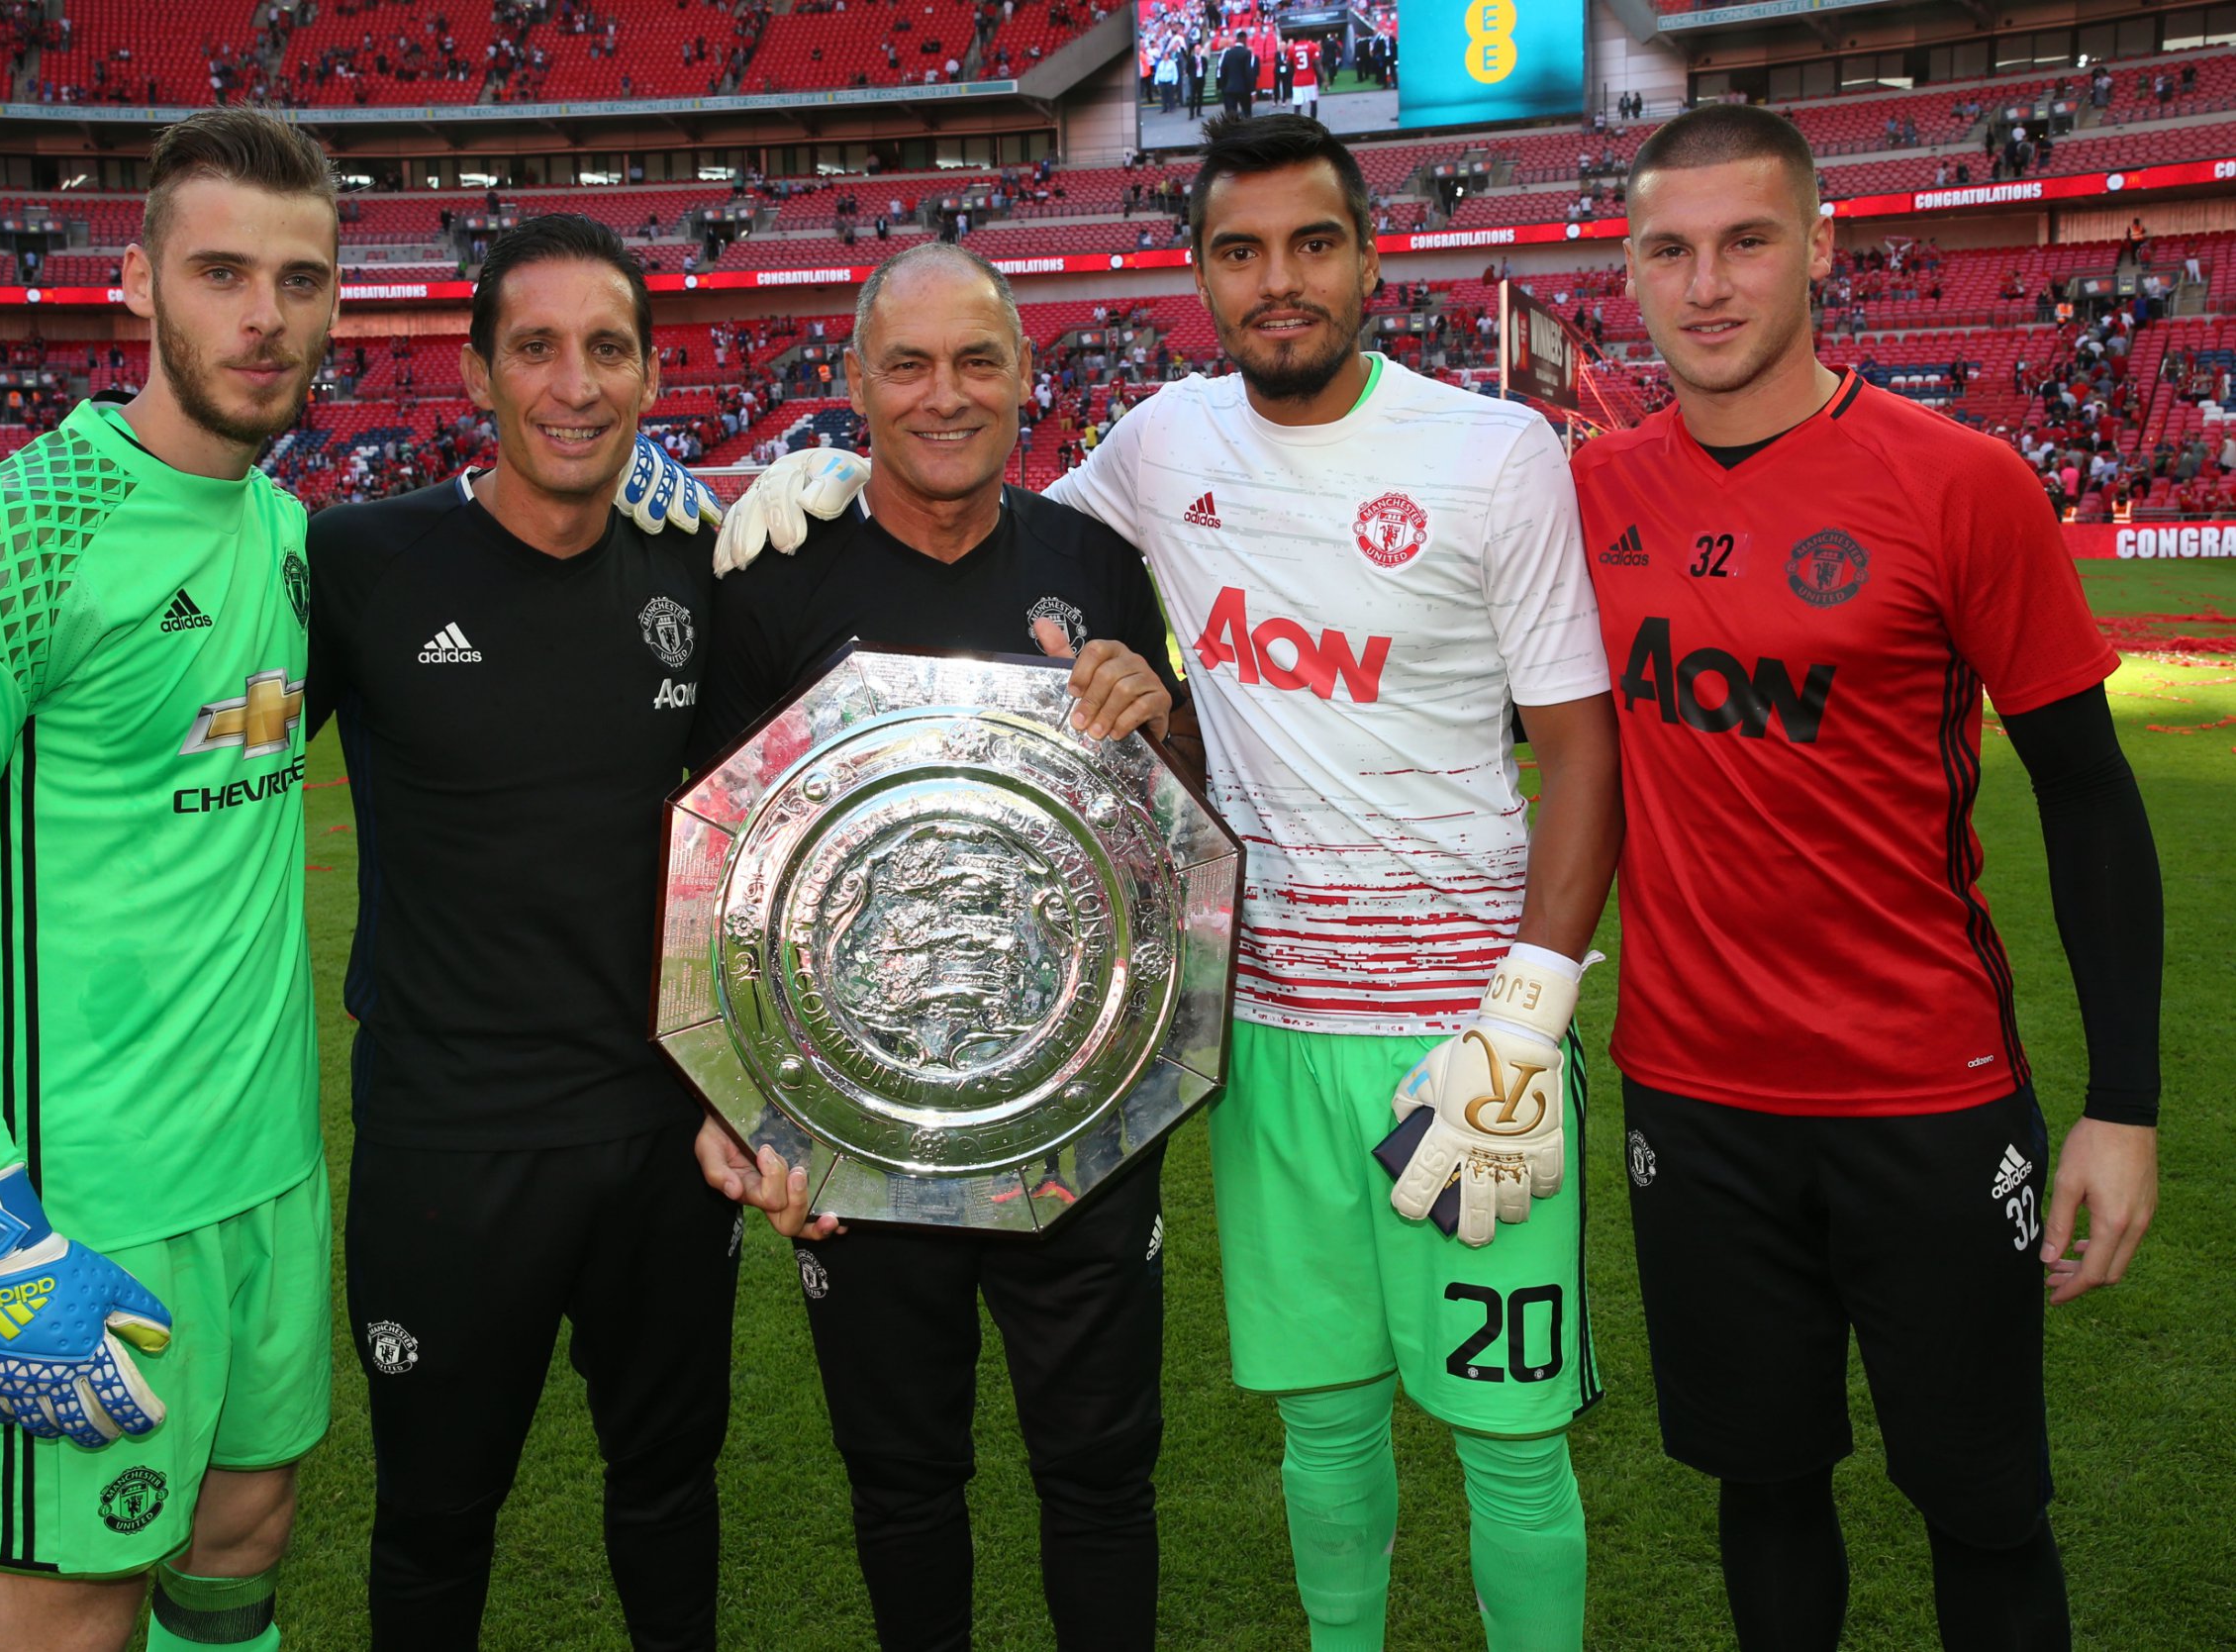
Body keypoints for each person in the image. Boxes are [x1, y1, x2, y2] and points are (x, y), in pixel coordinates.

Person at [715, 114, 1623, 1652]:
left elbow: (1583, 749)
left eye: (1312, 244)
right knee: (1325, 1429)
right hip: (1260, 1035)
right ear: (1199, 273)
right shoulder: (1162, 449)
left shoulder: (1497, 452)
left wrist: (1525, 1023)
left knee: (1511, 1441)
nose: (1281, 282)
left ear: (1367, 255)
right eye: (1242, 251)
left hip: (1464, 1039)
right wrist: (814, 466)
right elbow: (975, 502)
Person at [1572, 103, 2162, 1652]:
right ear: (1628, 273)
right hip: (1692, 1104)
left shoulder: (1963, 484)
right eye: (1671, 251)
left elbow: (2092, 803)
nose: (1708, 284)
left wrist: (2126, 1100)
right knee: (1762, 1493)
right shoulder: (1586, 496)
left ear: (1821, 246)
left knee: (1983, 1508)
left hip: (1927, 1093)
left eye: (1747, 241)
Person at [0, 107, 344, 1652]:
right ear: (137, 282)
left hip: (275, 1180)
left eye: (300, 279)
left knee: (245, 1533)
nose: (263, 316)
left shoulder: (295, 532)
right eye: (223, 269)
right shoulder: (6, 539)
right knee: (68, 1604)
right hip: (87, 1207)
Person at [689, 241, 1185, 1652]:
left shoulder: (1095, 560)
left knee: (1100, 1474)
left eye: (977, 359)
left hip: (1078, 1117)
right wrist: (745, 1102)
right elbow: (705, 851)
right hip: (862, 1126)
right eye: (906, 363)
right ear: (854, 383)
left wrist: (1157, 713)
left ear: (1029, 374)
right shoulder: (774, 576)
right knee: (904, 1482)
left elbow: (1172, 834)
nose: (943, 395)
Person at [305, 214, 732, 1652]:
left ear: (653, 376)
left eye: (608, 348)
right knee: (433, 1513)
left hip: (661, 1137)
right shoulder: (361, 564)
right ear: (476, 371)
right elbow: (192, 763)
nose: (574, 381)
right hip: (448, 1142)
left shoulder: (699, 576)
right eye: (536, 347)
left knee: (670, 1489)